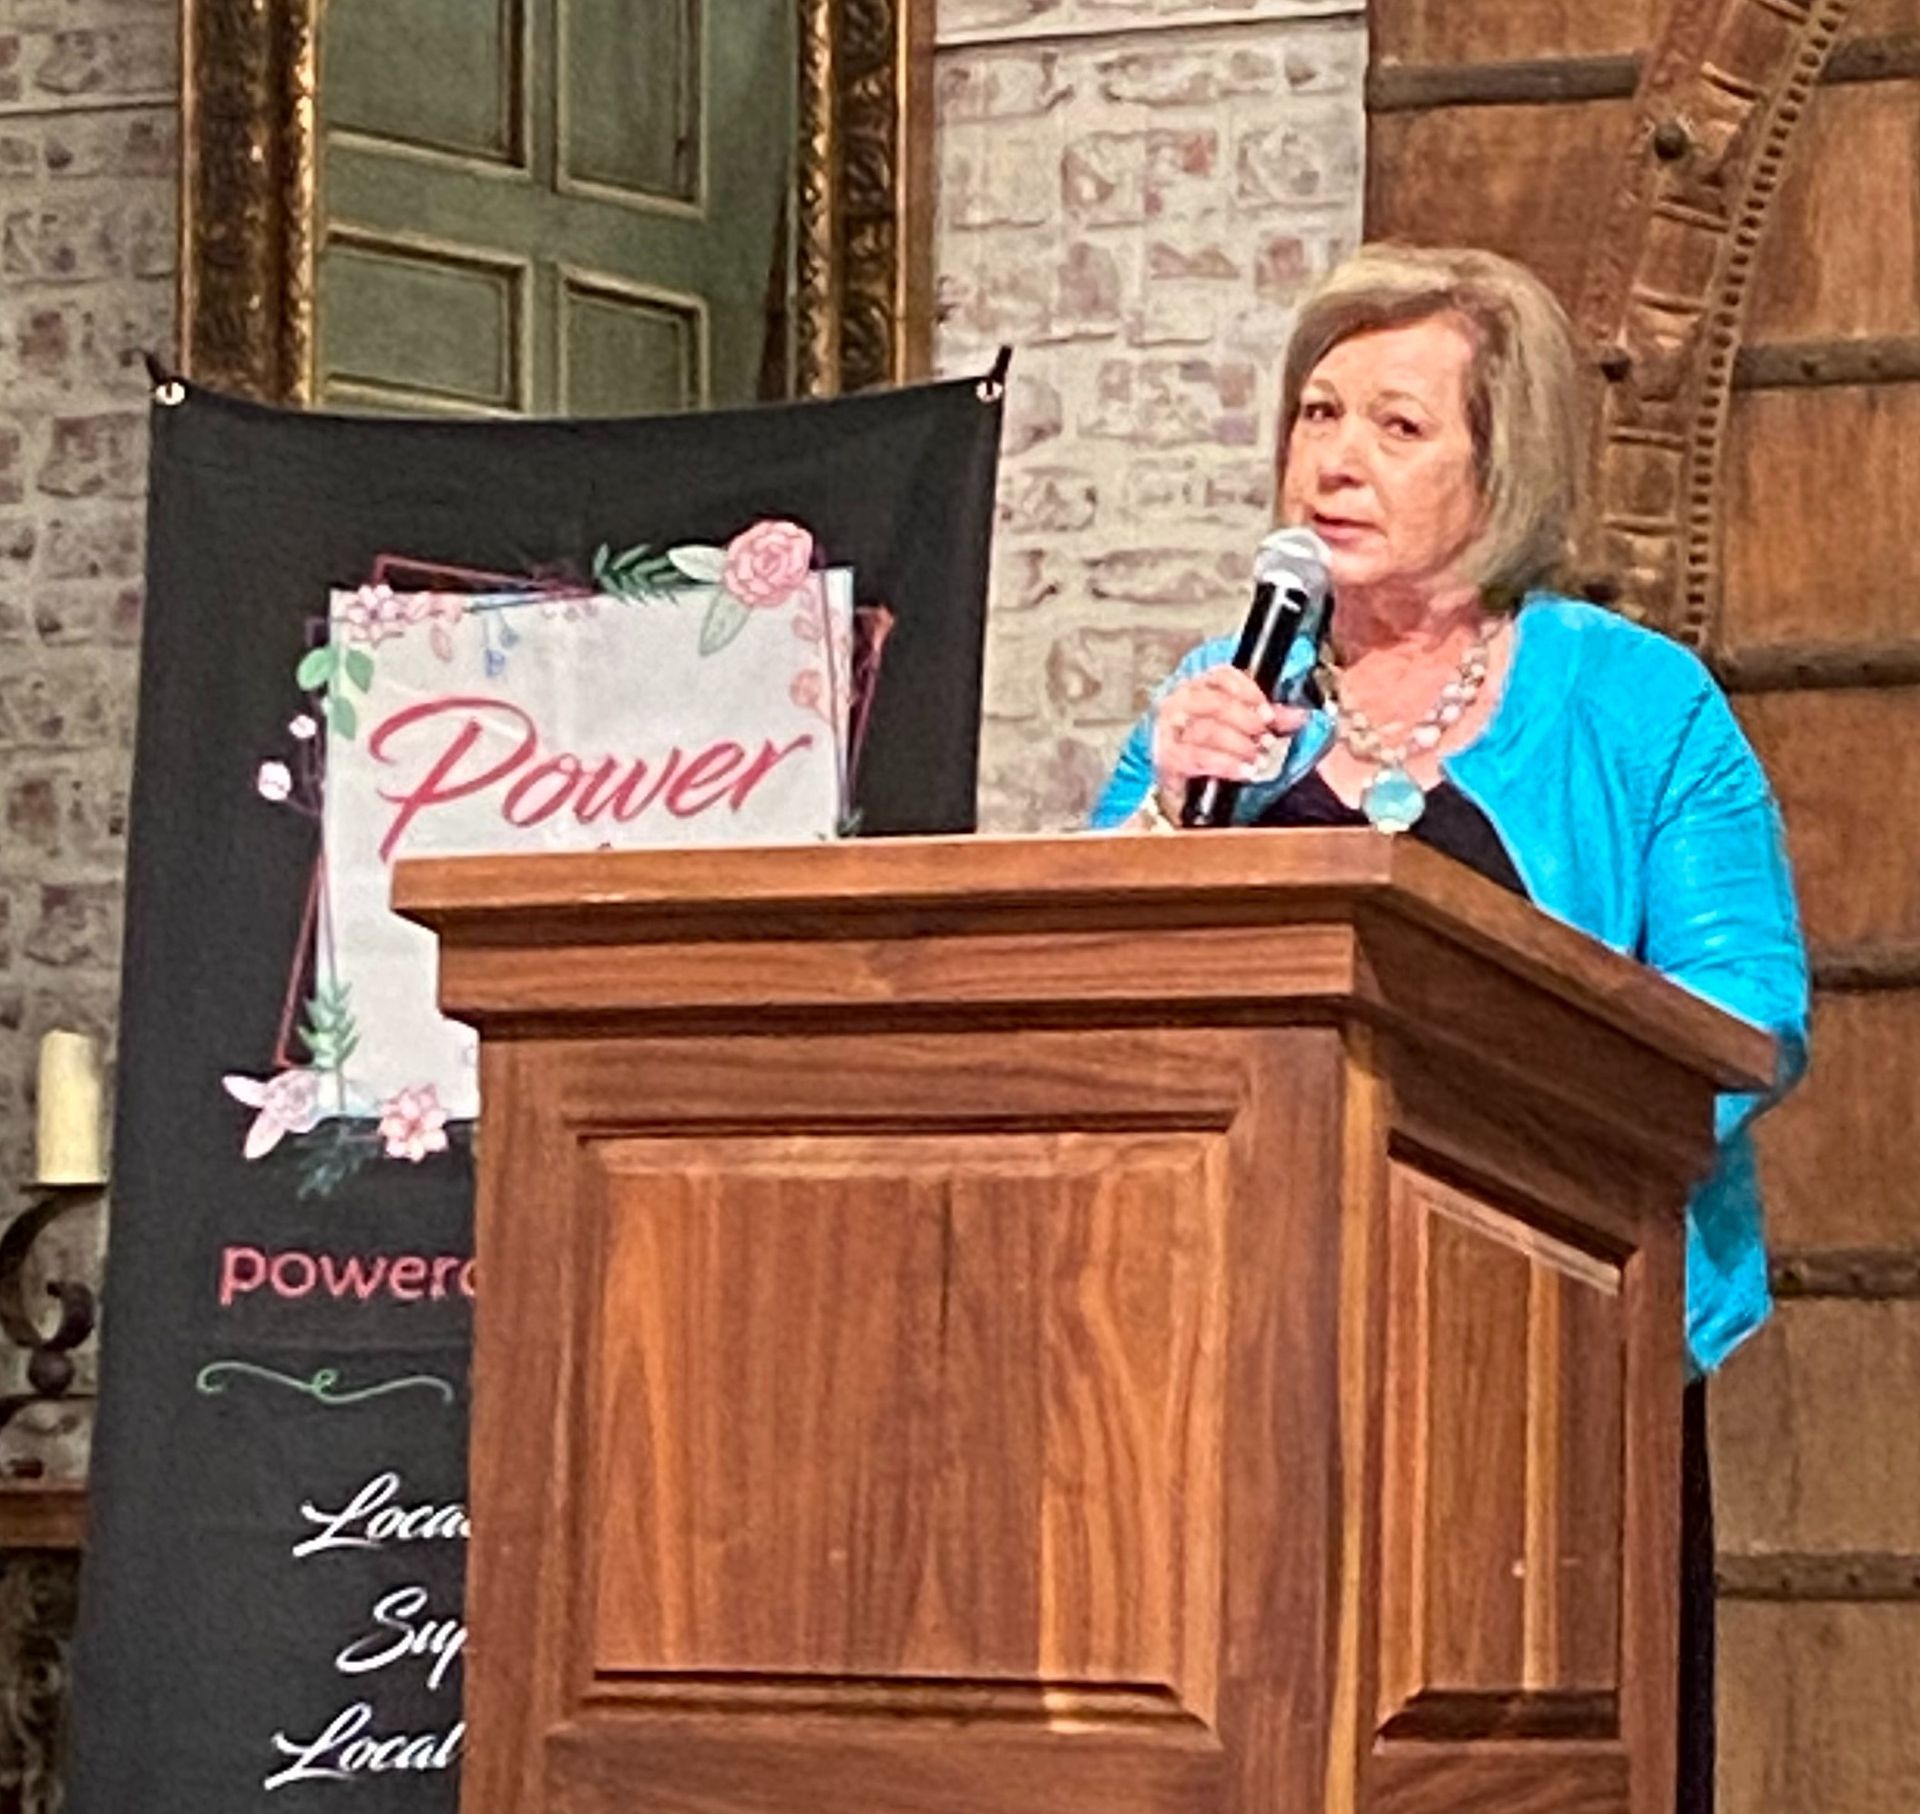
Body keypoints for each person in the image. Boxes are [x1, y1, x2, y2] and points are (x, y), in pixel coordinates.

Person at [1090, 242, 1809, 1814]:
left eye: (1398, 427)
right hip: (1232, 1364)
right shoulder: (1216, 701)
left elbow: (1746, 1018)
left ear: (1508, 462)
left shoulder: (1638, 705)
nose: (1335, 458)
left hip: (1552, 1353)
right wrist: (1160, 812)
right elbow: (1092, 993)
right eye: (1318, 412)